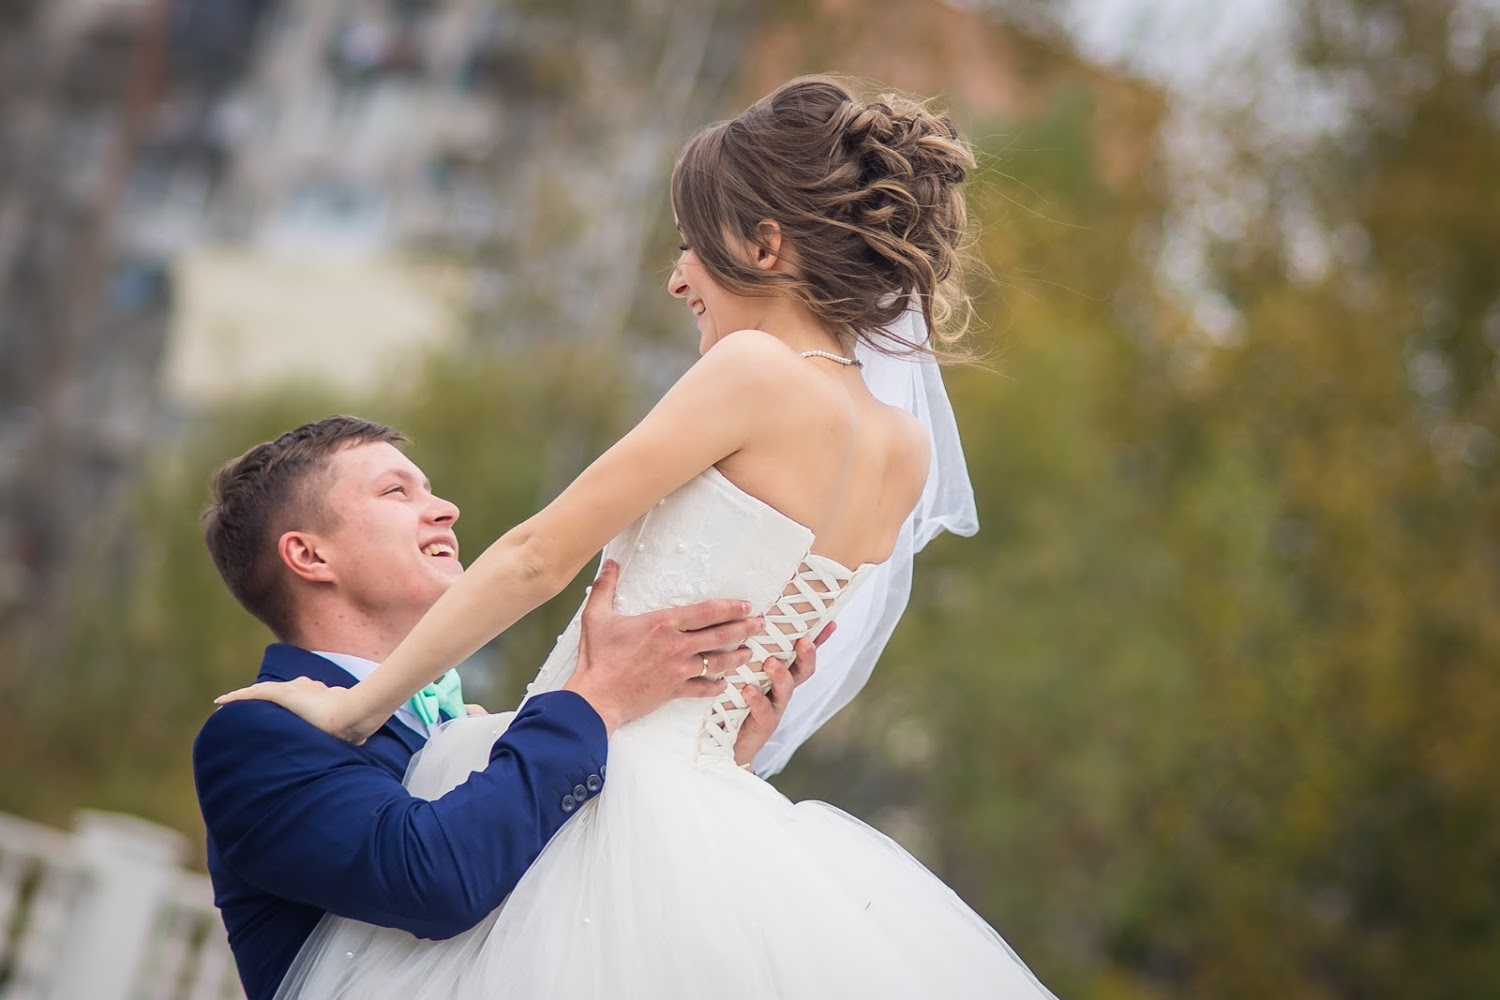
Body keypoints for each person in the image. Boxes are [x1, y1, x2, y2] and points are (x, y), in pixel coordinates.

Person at [221, 76, 1058, 998]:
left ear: (766, 245)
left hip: (607, 805)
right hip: (718, 814)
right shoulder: (904, 451)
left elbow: (540, 554)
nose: (677, 275)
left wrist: (351, 709)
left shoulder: (752, 371)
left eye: (692, 244)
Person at [192, 416, 830, 1000]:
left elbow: (576, 892)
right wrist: (594, 698)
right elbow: (434, 878)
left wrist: (707, 751)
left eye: (429, 491)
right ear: (309, 555)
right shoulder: (257, 734)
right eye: (396, 493)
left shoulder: (462, 723)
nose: (444, 510)